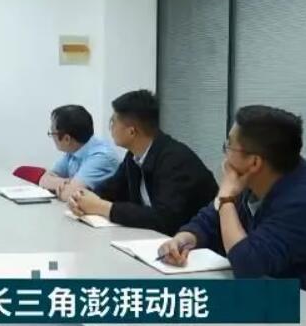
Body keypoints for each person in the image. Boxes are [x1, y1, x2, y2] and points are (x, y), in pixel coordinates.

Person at [158, 105, 306, 306]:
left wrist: (227, 199)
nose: (225, 154)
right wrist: (186, 237)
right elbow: (211, 218)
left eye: (229, 146)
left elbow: (248, 265)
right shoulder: (256, 178)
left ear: (254, 163)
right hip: (270, 300)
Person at [68, 90, 217, 235]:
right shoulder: (134, 156)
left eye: (113, 122)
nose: (110, 128)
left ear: (131, 132)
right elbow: (111, 190)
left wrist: (103, 207)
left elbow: (166, 219)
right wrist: (80, 199)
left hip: (195, 244)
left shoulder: (175, 160)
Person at [38, 105, 119, 201]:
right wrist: (67, 183)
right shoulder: (73, 150)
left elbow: (70, 195)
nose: (52, 137)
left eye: (52, 133)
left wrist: (65, 186)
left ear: (67, 139)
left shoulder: (102, 156)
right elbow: (44, 180)